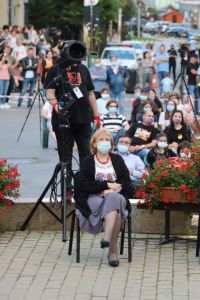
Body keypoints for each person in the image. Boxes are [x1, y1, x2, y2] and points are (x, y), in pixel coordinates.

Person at [45, 41, 100, 187]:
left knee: (86, 156)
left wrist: (96, 115)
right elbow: (49, 92)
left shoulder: (83, 69)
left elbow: (90, 93)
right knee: (65, 157)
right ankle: (67, 187)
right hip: (63, 120)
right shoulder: (55, 70)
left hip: (83, 119)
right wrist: (56, 105)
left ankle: (84, 186)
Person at [75, 129, 133, 267]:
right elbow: (83, 185)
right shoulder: (88, 161)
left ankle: (106, 237)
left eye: (107, 140)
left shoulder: (117, 160)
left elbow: (127, 181)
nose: (104, 142)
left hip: (117, 196)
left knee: (114, 197)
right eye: (101, 139)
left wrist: (118, 187)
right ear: (94, 144)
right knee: (117, 213)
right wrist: (105, 187)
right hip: (94, 198)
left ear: (112, 144)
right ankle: (112, 252)